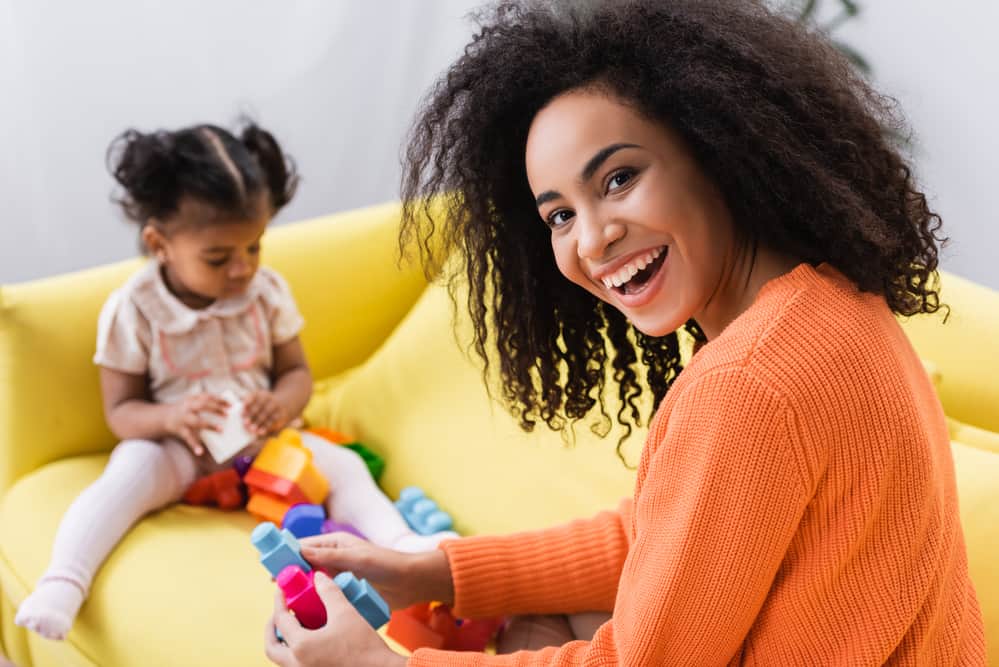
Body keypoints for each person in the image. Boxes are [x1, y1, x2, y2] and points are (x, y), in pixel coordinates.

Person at [264, 1, 986, 664]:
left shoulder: (749, 384)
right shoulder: (832, 304)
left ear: (716, 148)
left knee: (540, 629)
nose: (593, 239)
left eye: (616, 178)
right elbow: (657, 538)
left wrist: (375, 661)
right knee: (543, 618)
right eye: (558, 215)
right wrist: (437, 570)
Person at [16, 122, 454, 642]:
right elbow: (122, 412)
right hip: (180, 447)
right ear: (160, 244)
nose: (242, 269)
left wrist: (281, 400)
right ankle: (64, 582)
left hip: (265, 443)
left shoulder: (265, 292)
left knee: (344, 465)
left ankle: (401, 544)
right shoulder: (133, 309)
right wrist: (170, 418)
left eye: (255, 247)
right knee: (124, 476)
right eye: (218, 258)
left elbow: (296, 373)